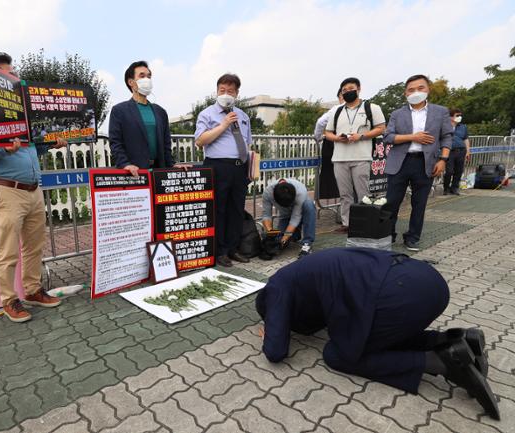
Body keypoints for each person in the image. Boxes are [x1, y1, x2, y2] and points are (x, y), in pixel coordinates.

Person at [256, 247, 499, 420]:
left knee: (338, 354)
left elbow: (276, 352)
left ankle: (443, 363)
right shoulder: (307, 268)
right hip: (427, 281)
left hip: (398, 295)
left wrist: (271, 330)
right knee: (376, 333)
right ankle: (454, 340)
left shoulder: (277, 285)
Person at [0, 52, 65, 322]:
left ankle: (32, 291)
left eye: (14, 72)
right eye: (8, 74)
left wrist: (49, 145)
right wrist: (1, 147)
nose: (15, 78)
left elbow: (30, 150)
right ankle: (9, 299)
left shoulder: (22, 112)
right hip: (6, 191)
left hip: (33, 189)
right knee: (7, 251)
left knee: (35, 245)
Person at [383, 74, 453, 251]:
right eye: (411, 89)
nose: (416, 92)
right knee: (391, 201)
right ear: (405, 93)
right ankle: (387, 235)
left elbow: (446, 137)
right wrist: (412, 137)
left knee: (419, 202)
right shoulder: (397, 114)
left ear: (428, 89)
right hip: (400, 162)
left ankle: (412, 237)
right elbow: (388, 137)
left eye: (420, 88)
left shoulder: (440, 112)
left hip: (425, 162)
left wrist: (443, 159)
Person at [195, 73, 252, 268]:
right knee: (218, 210)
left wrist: (249, 165)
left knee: (236, 210)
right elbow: (200, 141)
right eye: (222, 90)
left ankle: (233, 248)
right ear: (216, 91)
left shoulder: (243, 116)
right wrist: (224, 124)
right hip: (218, 166)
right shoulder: (207, 114)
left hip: (239, 167)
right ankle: (219, 251)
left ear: (236, 93)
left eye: (230, 91)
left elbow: (247, 142)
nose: (226, 94)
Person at [324, 78, 386, 232]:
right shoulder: (337, 111)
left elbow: (381, 128)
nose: (347, 92)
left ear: (358, 89)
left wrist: (361, 136)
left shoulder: (372, 107)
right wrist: (337, 138)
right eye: (344, 90)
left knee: (363, 194)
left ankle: (365, 223)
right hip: (339, 158)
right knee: (345, 194)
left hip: (361, 157)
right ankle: (347, 224)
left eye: (350, 88)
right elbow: (327, 133)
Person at [109, 60, 176, 176]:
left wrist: (172, 164)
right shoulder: (119, 111)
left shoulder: (160, 112)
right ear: (131, 82)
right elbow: (116, 143)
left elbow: (166, 144)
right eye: (142, 76)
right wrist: (125, 164)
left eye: (149, 76)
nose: (147, 79)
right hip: (135, 172)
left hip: (159, 172)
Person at [261, 179, 316, 257]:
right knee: (277, 239)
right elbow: (266, 215)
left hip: (300, 213)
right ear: (274, 196)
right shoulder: (268, 193)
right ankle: (295, 234)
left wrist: (284, 239)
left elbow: (295, 219)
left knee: (309, 205)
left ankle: (307, 243)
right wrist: (270, 233)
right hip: (285, 216)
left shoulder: (300, 192)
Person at [443, 108, 470, 195]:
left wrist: (468, 151)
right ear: (451, 117)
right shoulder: (445, 126)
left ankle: (454, 188)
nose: (460, 117)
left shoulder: (463, 127)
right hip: (449, 151)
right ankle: (446, 188)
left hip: (461, 151)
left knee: (459, 171)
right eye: (457, 115)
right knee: (449, 171)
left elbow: (466, 139)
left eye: (460, 115)